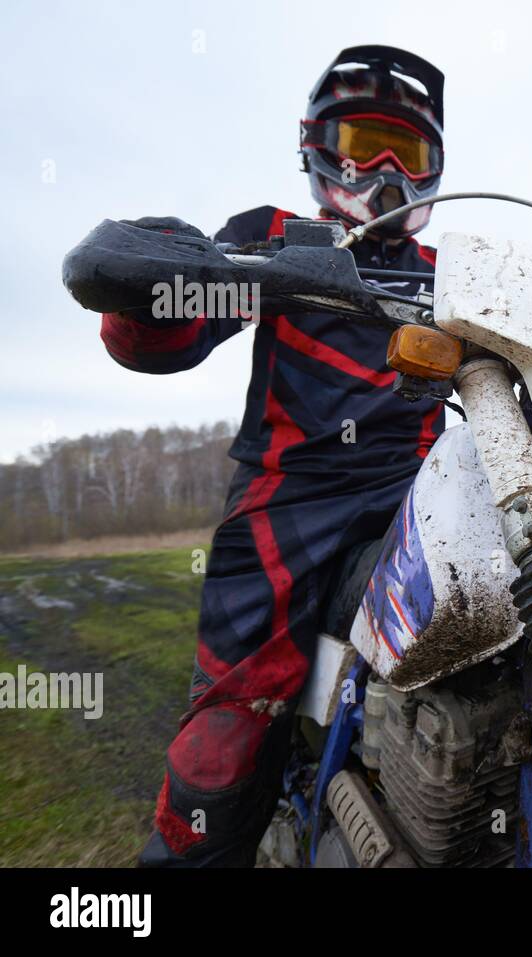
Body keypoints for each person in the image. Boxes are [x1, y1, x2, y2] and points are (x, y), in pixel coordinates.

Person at [99, 45, 450, 866]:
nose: (391, 170)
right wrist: (150, 284)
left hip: (424, 496)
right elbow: (174, 334)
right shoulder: (278, 239)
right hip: (290, 506)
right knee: (221, 749)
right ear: (321, 148)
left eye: (413, 153)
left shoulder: (453, 273)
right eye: (368, 145)